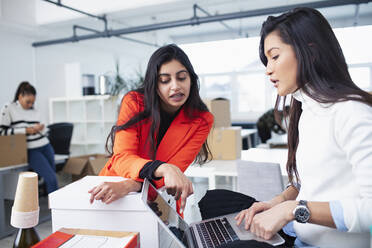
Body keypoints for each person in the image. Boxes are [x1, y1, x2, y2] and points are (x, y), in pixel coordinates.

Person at [200, 7, 372, 248]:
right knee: (214, 200)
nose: (268, 69)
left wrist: (293, 210)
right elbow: (313, 182)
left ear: (310, 52)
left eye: (275, 56)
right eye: (266, 60)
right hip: (300, 233)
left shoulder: (351, 113)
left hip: (318, 242)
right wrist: (278, 202)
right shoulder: (307, 110)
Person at [89, 44, 214, 214]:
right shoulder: (134, 102)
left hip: (158, 195)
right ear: (155, 84)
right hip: (114, 191)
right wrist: (165, 168)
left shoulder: (202, 120)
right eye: (165, 80)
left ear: (191, 80)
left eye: (182, 77)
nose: (175, 86)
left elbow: (173, 173)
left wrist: (130, 185)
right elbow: (123, 158)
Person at [0, 81, 58, 194]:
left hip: (45, 145)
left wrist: (41, 128)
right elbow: (2, 132)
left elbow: (46, 131)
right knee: (51, 179)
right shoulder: (9, 108)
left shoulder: (34, 111)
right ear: (20, 96)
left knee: (52, 179)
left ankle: (55, 207)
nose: (31, 105)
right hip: (31, 149)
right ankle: (56, 210)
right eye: (28, 102)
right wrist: (26, 131)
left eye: (33, 102)